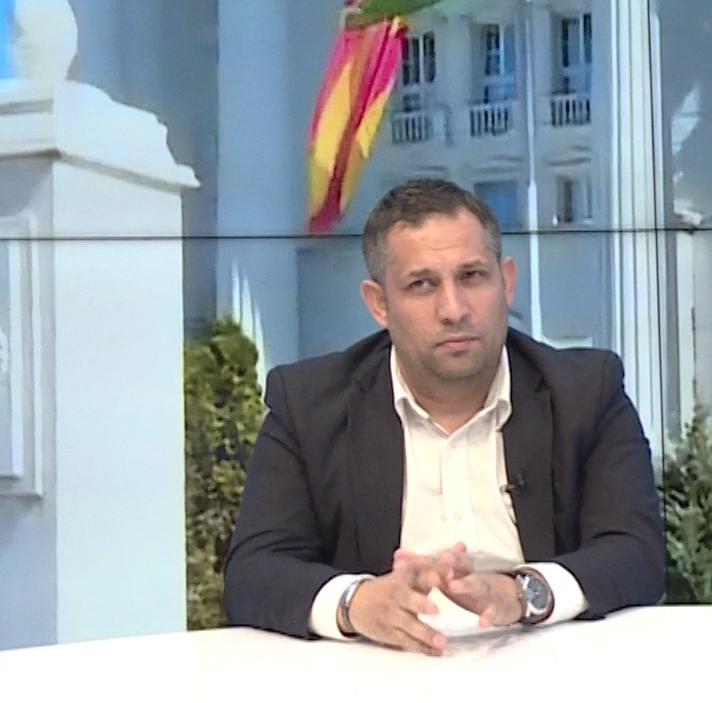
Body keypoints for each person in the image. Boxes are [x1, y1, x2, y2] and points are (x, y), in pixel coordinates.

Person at [222, 178, 665, 655]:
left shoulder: (586, 392)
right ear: (379, 304)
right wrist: (359, 603)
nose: (453, 309)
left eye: (472, 276)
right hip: (375, 676)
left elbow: (635, 552)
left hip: (550, 667)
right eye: (422, 285)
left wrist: (522, 593)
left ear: (506, 282)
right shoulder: (308, 406)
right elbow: (255, 572)